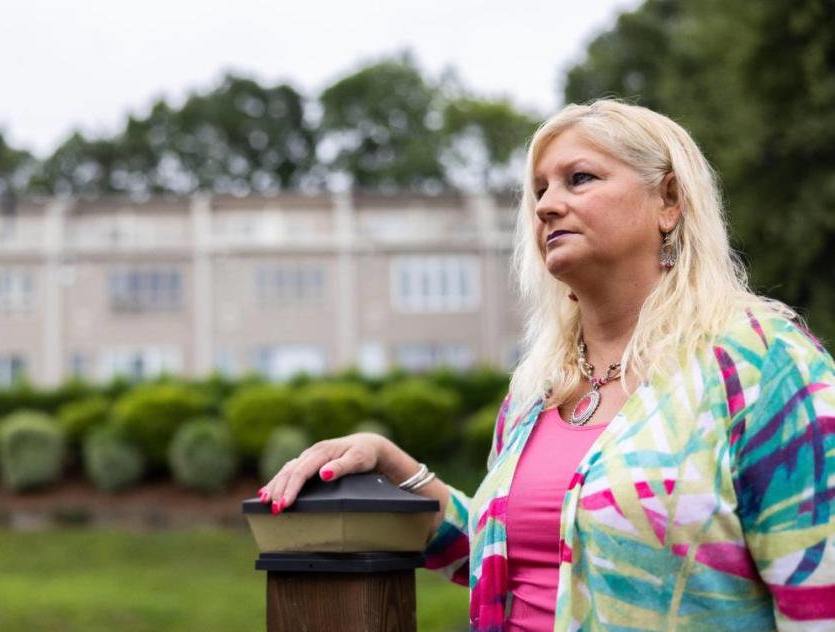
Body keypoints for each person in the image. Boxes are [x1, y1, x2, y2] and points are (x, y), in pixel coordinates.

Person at [258, 99, 835, 631]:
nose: (546, 204)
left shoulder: (763, 364)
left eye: (579, 179)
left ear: (669, 200)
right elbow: (514, 556)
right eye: (539, 190)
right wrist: (394, 467)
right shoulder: (537, 387)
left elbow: (819, 600)